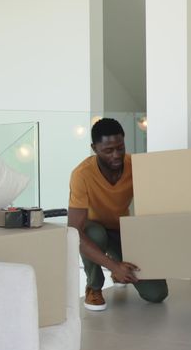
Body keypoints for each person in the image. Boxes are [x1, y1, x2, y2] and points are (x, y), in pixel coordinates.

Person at [68, 118, 168, 310]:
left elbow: (153, 206)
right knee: (94, 233)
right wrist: (114, 265)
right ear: (94, 148)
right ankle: (94, 286)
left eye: (120, 148)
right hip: (93, 230)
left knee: (157, 294)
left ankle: (118, 272)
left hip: (121, 230)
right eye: (108, 150)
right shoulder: (81, 175)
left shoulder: (135, 166)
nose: (116, 155)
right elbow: (74, 232)